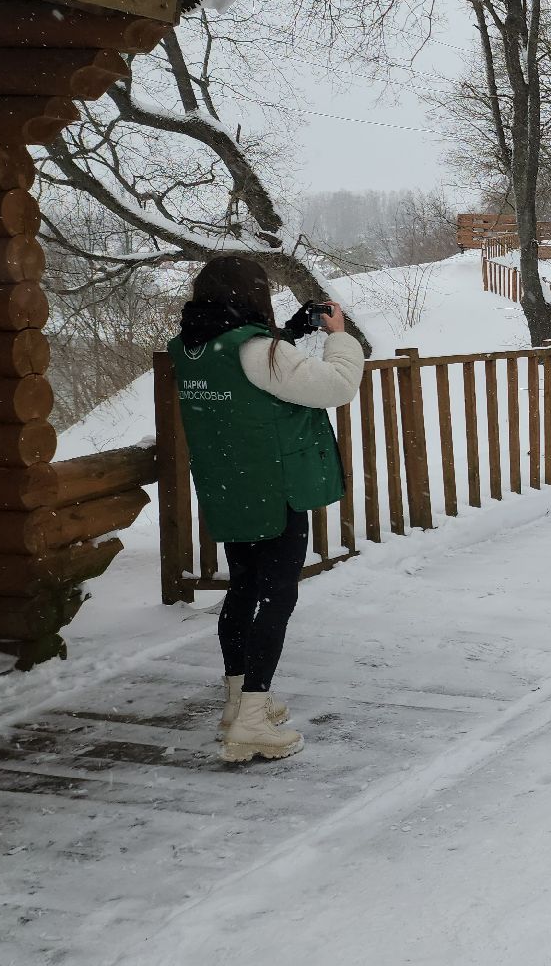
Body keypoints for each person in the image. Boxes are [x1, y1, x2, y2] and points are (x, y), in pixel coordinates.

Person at [167, 256, 363, 763]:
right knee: (277, 596)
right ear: (252, 295)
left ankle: (238, 703)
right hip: (275, 488)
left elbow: (246, 375)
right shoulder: (261, 351)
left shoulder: (191, 349)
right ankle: (252, 721)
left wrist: (288, 334)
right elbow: (338, 385)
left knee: (243, 589)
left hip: (230, 485)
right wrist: (339, 337)